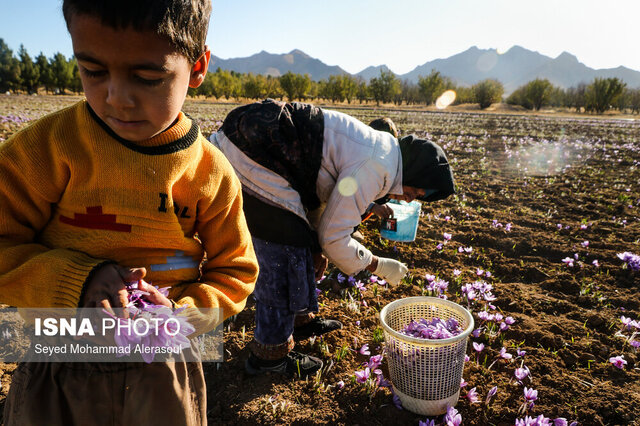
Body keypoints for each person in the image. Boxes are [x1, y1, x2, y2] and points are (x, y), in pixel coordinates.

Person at [0, 1, 258, 424]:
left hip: (164, 374)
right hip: (59, 363)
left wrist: (179, 318)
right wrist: (76, 280)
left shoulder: (210, 173)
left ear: (197, 67)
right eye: (93, 72)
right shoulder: (47, 151)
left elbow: (237, 273)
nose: (116, 98)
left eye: (147, 77)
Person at [210, 100, 455, 378]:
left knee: (302, 241)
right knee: (284, 253)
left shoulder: (385, 157)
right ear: (413, 172)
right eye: (415, 192)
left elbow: (321, 201)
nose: (409, 198)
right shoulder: (377, 168)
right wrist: (377, 265)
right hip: (253, 151)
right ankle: (269, 357)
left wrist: (318, 247)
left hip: (268, 148)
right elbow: (334, 236)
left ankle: (299, 322)